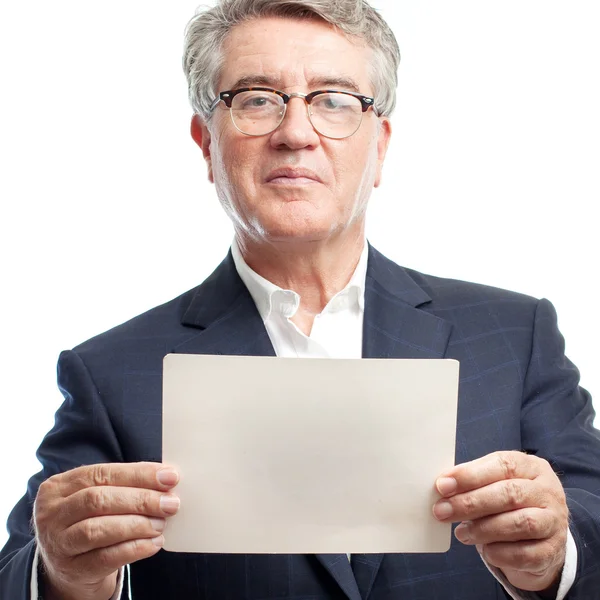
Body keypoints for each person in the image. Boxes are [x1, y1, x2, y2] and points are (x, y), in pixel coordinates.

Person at [1, 0, 599, 598]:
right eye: (257, 98)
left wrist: (555, 556)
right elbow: (21, 572)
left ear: (380, 145)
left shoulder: (516, 335)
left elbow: (592, 526)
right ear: (206, 142)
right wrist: (62, 577)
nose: (294, 133)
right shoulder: (109, 373)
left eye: (334, 99)